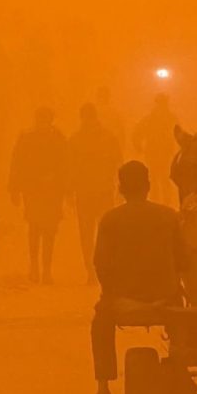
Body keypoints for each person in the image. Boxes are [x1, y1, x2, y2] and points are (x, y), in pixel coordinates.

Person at [87, 161, 188, 394]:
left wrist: (111, 294)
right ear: (148, 186)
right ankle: (182, 372)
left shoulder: (110, 219)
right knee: (183, 320)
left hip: (122, 300)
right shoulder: (169, 216)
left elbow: (100, 264)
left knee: (100, 324)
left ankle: (102, 390)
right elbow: (184, 261)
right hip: (166, 299)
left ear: (121, 188)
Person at [9, 107, 72, 283]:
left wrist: (66, 188)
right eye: (41, 119)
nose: (43, 123)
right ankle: (35, 267)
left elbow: (66, 165)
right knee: (35, 228)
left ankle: (46, 269)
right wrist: (14, 188)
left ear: (51, 120)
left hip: (53, 192)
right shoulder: (26, 138)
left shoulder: (59, 139)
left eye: (46, 119)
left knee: (50, 230)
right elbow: (17, 163)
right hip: (33, 190)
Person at [66, 103, 124, 286]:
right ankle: (93, 271)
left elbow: (118, 162)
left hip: (98, 192)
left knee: (97, 234)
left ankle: (98, 270)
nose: (88, 121)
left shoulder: (80, 139)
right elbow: (69, 167)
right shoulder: (102, 138)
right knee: (91, 234)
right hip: (91, 192)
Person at [131, 93, 180, 176]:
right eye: (161, 103)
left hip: (161, 152)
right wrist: (137, 145)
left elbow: (137, 132)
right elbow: (138, 132)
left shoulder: (169, 119)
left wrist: (137, 145)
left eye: (163, 103)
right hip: (158, 151)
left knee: (159, 175)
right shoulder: (169, 118)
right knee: (158, 175)